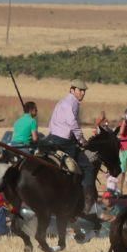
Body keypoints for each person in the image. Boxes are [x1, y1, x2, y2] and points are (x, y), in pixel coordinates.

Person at [45, 79, 96, 208]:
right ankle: (86, 201)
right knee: (87, 167)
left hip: (52, 138)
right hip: (65, 141)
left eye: (84, 91)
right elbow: (72, 123)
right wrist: (81, 140)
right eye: (80, 90)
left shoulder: (61, 102)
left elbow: (52, 122)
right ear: (72, 90)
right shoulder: (72, 103)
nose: (83, 93)